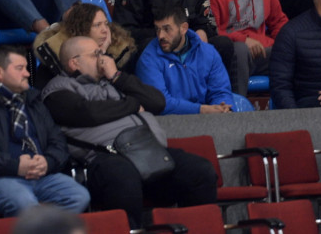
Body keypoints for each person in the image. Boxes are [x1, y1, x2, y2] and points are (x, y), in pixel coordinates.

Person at [41, 35, 217, 227]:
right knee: (124, 177)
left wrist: (117, 76)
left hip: (149, 152)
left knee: (201, 171)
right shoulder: (57, 90)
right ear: (75, 63)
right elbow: (88, 114)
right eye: (95, 54)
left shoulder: (112, 81)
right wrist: (133, 104)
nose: (102, 59)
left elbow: (158, 102)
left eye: (102, 53)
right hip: (104, 158)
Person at [0, 46, 90, 217]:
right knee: (24, 202)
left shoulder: (34, 102)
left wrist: (48, 162)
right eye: (20, 68)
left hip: (43, 176)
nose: (27, 73)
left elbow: (58, 142)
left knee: (79, 196)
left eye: (26, 68)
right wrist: (16, 166)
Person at [135, 4, 234, 114]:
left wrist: (222, 107)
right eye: (157, 29)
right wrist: (201, 110)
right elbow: (161, 104)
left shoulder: (208, 53)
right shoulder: (148, 59)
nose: (160, 36)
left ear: (183, 28)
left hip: (207, 121)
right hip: (167, 125)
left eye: (167, 29)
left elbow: (220, 91)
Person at [33, 1, 136, 87]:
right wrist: (102, 54)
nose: (105, 30)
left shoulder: (117, 53)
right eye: (97, 25)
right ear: (81, 29)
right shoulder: (55, 58)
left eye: (105, 24)